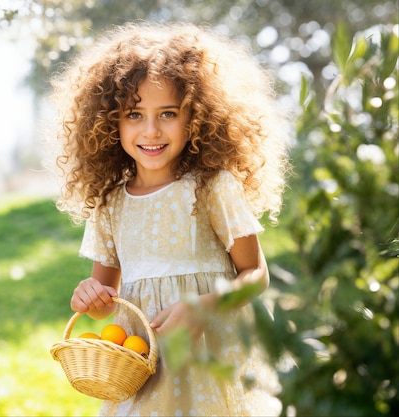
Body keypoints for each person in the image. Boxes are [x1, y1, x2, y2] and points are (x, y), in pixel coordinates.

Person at [49, 21, 291, 416]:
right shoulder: (111, 204)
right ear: (111, 121)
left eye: (168, 113)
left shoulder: (212, 187)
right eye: (134, 114)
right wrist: (89, 297)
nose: (150, 130)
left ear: (195, 117)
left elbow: (255, 275)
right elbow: (105, 301)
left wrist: (205, 306)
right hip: (146, 366)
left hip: (213, 358)